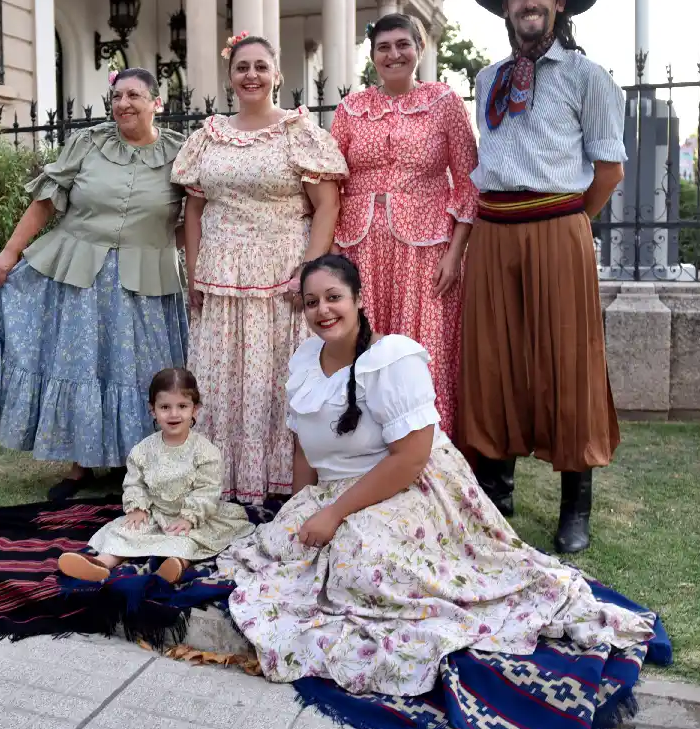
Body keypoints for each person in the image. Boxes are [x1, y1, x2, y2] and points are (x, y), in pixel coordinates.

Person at [217, 254, 654, 697]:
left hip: (409, 484)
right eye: (311, 302)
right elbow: (303, 446)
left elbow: (410, 458)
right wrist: (302, 507)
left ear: (359, 299)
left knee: (361, 555)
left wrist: (333, 514)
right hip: (337, 491)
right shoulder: (306, 359)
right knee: (283, 550)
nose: (323, 310)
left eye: (334, 298)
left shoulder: (392, 358)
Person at [459, 0, 626, 554]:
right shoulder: (487, 80)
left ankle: (574, 501)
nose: (528, 2)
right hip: (494, 229)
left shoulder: (589, 76)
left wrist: (569, 225)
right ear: (505, 8)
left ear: (559, 3)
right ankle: (496, 492)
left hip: (558, 225)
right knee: (493, 359)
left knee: (566, 361)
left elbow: (609, 169)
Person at [0, 68, 189, 502]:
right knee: (81, 366)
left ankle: (136, 461)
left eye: (135, 95)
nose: (124, 103)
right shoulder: (88, 143)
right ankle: (79, 463)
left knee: (140, 372)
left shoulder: (181, 154)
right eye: (117, 95)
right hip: (80, 276)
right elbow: (46, 200)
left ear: (156, 103)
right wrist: (10, 252)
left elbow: (195, 220)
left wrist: (165, 244)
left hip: (147, 281)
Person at [172, 33, 347, 504]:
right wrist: (194, 276)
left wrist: (308, 273)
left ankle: (284, 484)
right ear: (230, 77)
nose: (251, 75)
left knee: (277, 379)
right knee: (221, 379)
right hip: (221, 273)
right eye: (242, 67)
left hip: (282, 274)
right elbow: (193, 213)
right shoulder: (206, 138)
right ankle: (223, 481)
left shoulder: (299, 133)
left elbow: (326, 206)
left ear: (277, 74)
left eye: (260, 66)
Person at [331, 13, 478, 442]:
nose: (393, 54)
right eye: (383, 47)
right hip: (360, 249)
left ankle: (428, 454)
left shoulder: (443, 102)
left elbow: (468, 179)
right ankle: (363, 452)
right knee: (364, 347)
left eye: (402, 44)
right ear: (372, 55)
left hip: (425, 248)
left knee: (419, 348)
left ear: (419, 48)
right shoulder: (350, 108)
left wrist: (455, 252)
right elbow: (329, 178)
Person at [58, 367, 253, 584]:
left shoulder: (205, 452)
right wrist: (138, 507)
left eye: (182, 406)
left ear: (195, 410)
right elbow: (134, 482)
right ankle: (101, 563)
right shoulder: (143, 450)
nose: (174, 414)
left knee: (188, 541)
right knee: (126, 531)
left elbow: (207, 490)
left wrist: (189, 517)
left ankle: (175, 565)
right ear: (153, 411)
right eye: (165, 407)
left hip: (192, 518)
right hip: (155, 513)